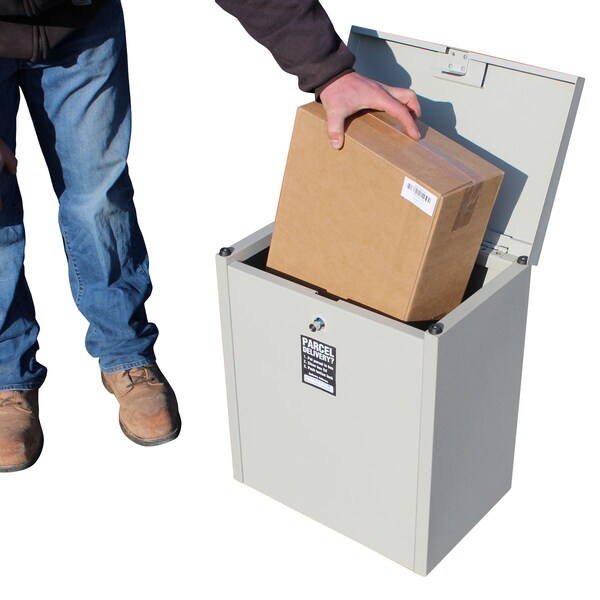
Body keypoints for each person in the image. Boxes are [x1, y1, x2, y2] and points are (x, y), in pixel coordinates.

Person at [0, 0, 420, 473]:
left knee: (99, 197)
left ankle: (125, 353)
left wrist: (329, 71)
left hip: (79, 24)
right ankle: (6, 375)